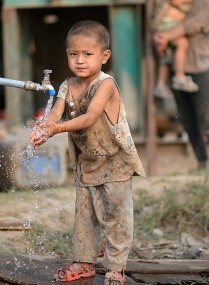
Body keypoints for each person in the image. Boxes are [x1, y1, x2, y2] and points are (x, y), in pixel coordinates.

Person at [30, 20, 145, 285]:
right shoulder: (67, 85)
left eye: (87, 54)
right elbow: (55, 113)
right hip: (87, 162)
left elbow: (90, 117)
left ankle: (116, 267)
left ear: (104, 56)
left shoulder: (106, 85)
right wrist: (43, 128)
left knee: (116, 215)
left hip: (115, 161)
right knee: (84, 215)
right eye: (73, 54)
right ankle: (83, 263)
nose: (79, 60)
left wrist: (55, 129)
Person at [154, 0, 209, 169]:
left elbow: (196, 23)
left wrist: (165, 36)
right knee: (187, 118)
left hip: (199, 66)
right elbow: (156, 21)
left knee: (205, 116)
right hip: (176, 69)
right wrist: (158, 36)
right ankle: (202, 161)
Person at [153, 0, 199, 98]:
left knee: (166, 54)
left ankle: (160, 84)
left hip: (171, 23)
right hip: (170, 23)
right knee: (183, 43)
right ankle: (179, 76)